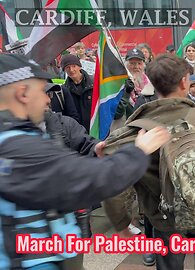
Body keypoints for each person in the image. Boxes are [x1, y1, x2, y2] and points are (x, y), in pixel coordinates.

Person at [0, 53, 170, 270]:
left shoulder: (20, 135)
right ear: (23, 93)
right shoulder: (16, 146)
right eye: (42, 91)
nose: (47, 99)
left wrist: (94, 150)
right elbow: (90, 178)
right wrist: (139, 151)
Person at [104, 53, 195, 270]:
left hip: (163, 217)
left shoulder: (135, 129)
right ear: (184, 81)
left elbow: (114, 183)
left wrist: (121, 224)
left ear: (153, 83)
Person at [60, 54, 94, 132]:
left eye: (74, 66)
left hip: (94, 129)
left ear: (79, 66)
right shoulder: (64, 90)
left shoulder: (94, 83)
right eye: (68, 67)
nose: (71, 70)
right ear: (64, 70)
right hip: (77, 132)